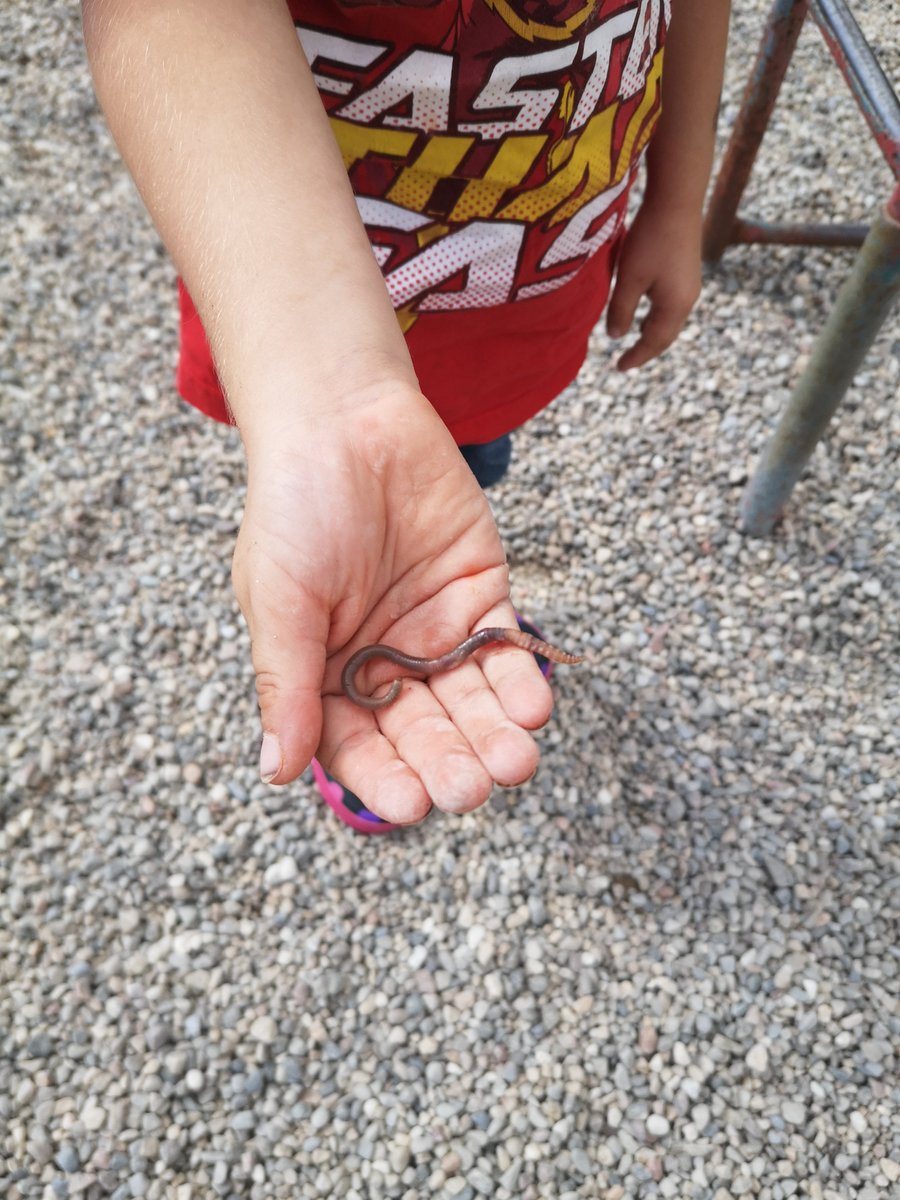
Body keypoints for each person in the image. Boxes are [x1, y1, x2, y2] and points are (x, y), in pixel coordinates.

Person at [82, 0, 730, 831]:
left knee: (468, 465)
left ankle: (459, 592)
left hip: (532, 286)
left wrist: (679, 198)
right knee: (423, 484)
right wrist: (324, 412)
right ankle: (443, 607)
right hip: (305, 304)